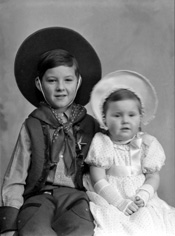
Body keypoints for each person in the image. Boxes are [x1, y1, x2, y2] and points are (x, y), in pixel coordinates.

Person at [0, 27, 102, 236]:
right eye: (52, 80)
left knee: (81, 230)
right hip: (38, 197)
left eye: (68, 80)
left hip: (76, 197)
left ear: (79, 82)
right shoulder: (32, 125)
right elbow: (15, 176)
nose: (60, 88)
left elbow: (104, 165)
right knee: (34, 230)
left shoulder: (91, 125)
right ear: (39, 83)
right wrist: (8, 223)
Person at [83, 70, 175, 236]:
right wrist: (119, 203)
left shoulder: (146, 143)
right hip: (112, 198)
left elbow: (153, 176)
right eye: (117, 115)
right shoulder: (103, 143)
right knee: (112, 227)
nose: (125, 120)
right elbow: (98, 179)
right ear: (105, 119)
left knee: (151, 223)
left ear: (140, 117)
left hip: (140, 198)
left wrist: (145, 194)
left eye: (131, 115)